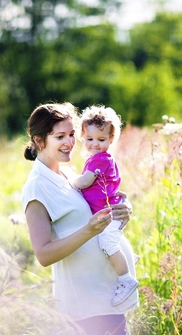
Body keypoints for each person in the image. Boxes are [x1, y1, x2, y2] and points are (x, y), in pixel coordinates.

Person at [21, 102, 147, 335]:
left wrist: (122, 212)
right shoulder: (37, 187)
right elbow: (44, 254)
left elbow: (98, 208)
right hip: (87, 306)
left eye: (71, 135)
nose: (69, 143)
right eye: (59, 137)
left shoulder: (67, 175)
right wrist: (90, 231)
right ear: (39, 142)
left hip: (104, 297)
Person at [71, 105, 139, 306]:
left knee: (107, 244)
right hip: (109, 211)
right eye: (90, 139)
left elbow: (84, 182)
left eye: (101, 140)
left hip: (110, 213)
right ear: (83, 136)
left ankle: (126, 279)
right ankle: (126, 256)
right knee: (110, 242)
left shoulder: (100, 159)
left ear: (111, 139)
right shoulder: (97, 159)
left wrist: (70, 181)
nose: (95, 144)